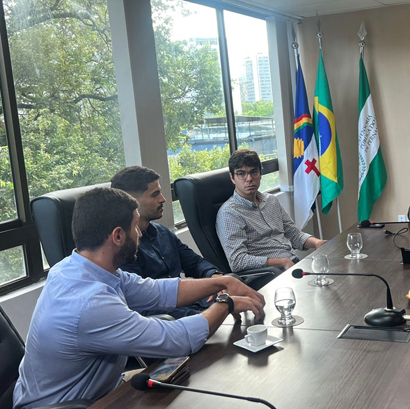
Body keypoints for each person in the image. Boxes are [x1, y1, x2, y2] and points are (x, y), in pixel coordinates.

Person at [13, 187, 265, 409]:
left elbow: (160, 291)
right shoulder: (89, 302)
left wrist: (223, 281)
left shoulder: (77, 268)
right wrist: (226, 302)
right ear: (118, 236)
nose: (141, 234)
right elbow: (179, 340)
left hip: (91, 394)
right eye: (135, 226)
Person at [111, 166, 260, 318]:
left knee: (243, 294)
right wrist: (215, 310)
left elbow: (195, 263)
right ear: (132, 202)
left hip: (197, 304)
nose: (163, 199)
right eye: (155, 195)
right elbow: (147, 306)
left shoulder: (162, 232)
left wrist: (215, 277)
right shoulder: (125, 248)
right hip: (174, 321)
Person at [216, 149, 325, 272]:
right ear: (232, 177)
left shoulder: (271, 201)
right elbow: (238, 261)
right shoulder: (229, 213)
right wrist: (282, 262)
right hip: (269, 274)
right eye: (241, 174)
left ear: (260, 174)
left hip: (292, 263)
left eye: (254, 172)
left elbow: (293, 234)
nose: (249, 178)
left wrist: (317, 242)